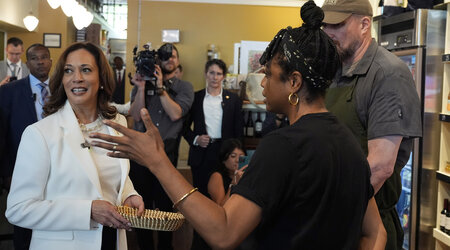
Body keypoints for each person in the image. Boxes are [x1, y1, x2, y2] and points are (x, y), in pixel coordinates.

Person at [91, 2, 386, 249]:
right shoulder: (350, 141)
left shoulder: (283, 146)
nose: (262, 84)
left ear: (294, 82)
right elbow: (375, 233)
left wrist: (158, 161)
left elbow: (223, 233)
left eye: (269, 75)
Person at [5, 42, 144, 250]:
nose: (76, 77)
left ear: (102, 79)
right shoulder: (40, 133)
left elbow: (114, 175)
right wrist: (87, 211)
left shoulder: (117, 124)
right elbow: (18, 209)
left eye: (86, 70)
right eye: (69, 70)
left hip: (112, 240)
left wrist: (129, 194)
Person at [321, 0, 422, 248]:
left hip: (365, 224)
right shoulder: (335, 69)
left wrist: (329, 210)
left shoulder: (388, 75)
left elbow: (380, 167)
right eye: (325, 24)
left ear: (365, 24)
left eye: (336, 24)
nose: (327, 32)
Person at [128, 43, 194, 250]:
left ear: (178, 60)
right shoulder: (141, 85)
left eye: (173, 56)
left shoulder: (185, 87)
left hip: (167, 152)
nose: (170, 60)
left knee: (165, 206)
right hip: (141, 153)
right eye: (165, 57)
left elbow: (175, 114)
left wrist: (160, 87)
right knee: (142, 206)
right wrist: (140, 89)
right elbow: (136, 115)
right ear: (158, 61)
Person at [0, 43, 52, 250]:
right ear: (27, 62)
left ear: (50, 60)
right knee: (24, 219)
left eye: (44, 57)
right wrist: (6, 172)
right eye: (34, 58)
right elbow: (2, 135)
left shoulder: (63, 88)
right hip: (21, 167)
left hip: (57, 165)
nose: (40, 62)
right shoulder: (9, 92)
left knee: (52, 214)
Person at [183, 59, 243, 197]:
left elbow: (238, 130)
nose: (215, 77)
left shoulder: (233, 100)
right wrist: (196, 139)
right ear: (205, 74)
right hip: (201, 153)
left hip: (225, 153)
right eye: (212, 73)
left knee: (225, 192)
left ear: (223, 76)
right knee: (200, 193)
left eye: (219, 73)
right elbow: (183, 127)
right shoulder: (196, 98)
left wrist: (237, 155)